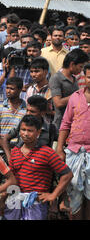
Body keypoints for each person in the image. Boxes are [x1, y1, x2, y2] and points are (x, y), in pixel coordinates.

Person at [2, 115, 72, 220]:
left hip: (36, 202)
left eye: (30, 130)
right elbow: (10, 179)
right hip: (14, 200)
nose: (25, 134)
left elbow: (67, 174)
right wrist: (3, 200)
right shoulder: (15, 152)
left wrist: (53, 195)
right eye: (23, 130)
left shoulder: (46, 152)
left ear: (38, 132)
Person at [57, 62, 90, 220]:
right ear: (84, 77)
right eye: (89, 77)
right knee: (74, 195)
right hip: (74, 151)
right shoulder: (76, 97)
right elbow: (65, 124)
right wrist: (59, 150)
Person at [49, 48, 88, 132]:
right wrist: (77, 94)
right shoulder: (56, 78)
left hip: (73, 123)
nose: (81, 70)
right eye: (80, 66)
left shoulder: (74, 79)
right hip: (60, 124)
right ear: (72, 64)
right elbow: (58, 103)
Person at [0, 77, 27, 162]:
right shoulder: (0, 108)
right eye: (7, 88)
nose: (8, 91)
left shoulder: (26, 109)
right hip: (0, 151)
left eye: (12, 89)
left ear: (20, 90)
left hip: (20, 152)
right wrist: (6, 149)